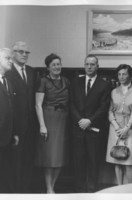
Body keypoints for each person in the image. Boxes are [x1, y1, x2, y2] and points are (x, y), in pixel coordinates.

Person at [70, 55, 111, 192]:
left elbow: (104, 107)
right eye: (87, 64)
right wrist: (80, 120)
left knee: (93, 162)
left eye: (92, 64)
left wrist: (90, 120)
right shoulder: (75, 82)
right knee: (78, 163)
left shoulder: (104, 84)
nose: (89, 67)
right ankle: (79, 192)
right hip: (78, 129)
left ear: (97, 66)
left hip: (95, 131)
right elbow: (71, 104)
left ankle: (92, 192)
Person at [35, 53, 70, 193]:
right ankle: (49, 189)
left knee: (60, 157)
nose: (57, 67)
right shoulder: (43, 81)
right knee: (49, 157)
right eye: (54, 65)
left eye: (58, 64)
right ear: (48, 67)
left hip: (63, 120)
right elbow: (38, 105)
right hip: (49, 119)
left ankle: (53, 186)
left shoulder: (67, 81)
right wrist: (42, 125)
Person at [6, 41, 37, 193]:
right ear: (13, 54)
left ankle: (26, 192)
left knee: (28, 161)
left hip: (31, 127)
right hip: (15, 128)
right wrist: (13, 130)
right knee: (14, 163)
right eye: (20, 52)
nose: (24, 55)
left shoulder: (32, 72)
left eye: (27, 52)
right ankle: (15, 193)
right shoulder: (7, 72)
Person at [106, 64, 132, 185]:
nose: (121, 77)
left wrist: (127, 128)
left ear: (130, 75)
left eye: (124, 74)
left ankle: (128, 191)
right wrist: (116, 126)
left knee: (128, 161)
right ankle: (119, 189)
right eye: (119, 74)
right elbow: (110, 110)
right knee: (117, 159)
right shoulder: (113, 91)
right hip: (115, 128)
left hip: (129, 128)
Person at [0, 48, 19, 192]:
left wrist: (14, 133)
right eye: (7, 58)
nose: (11, 61)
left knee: (6, 174)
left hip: (6, 138)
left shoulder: (8, 82)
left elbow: (11, 110)